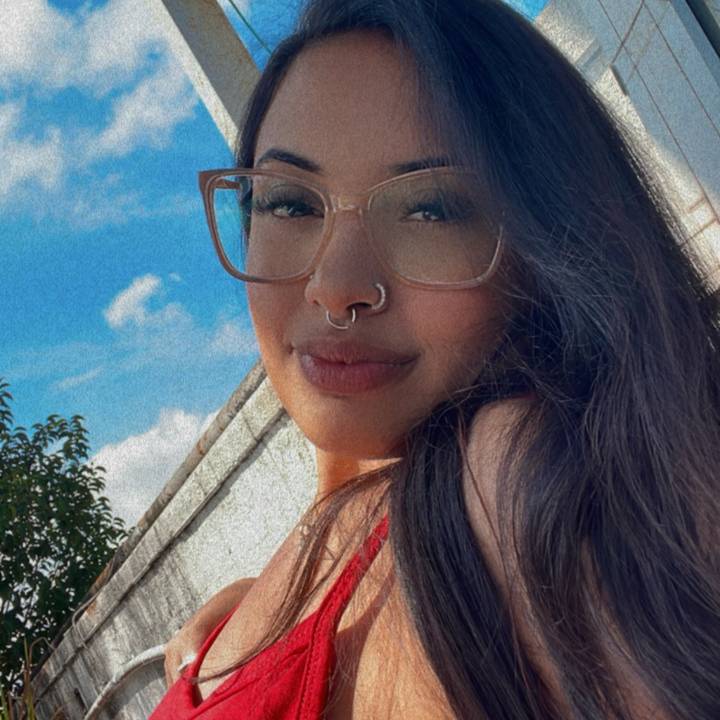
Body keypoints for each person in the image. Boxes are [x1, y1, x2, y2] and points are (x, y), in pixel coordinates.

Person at [151, 0, 720, 717]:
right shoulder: (351, 522)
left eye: (430, 210)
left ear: (546, 244)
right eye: (291, 203)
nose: (336, 288)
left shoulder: (511, 485)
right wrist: (255, 617)